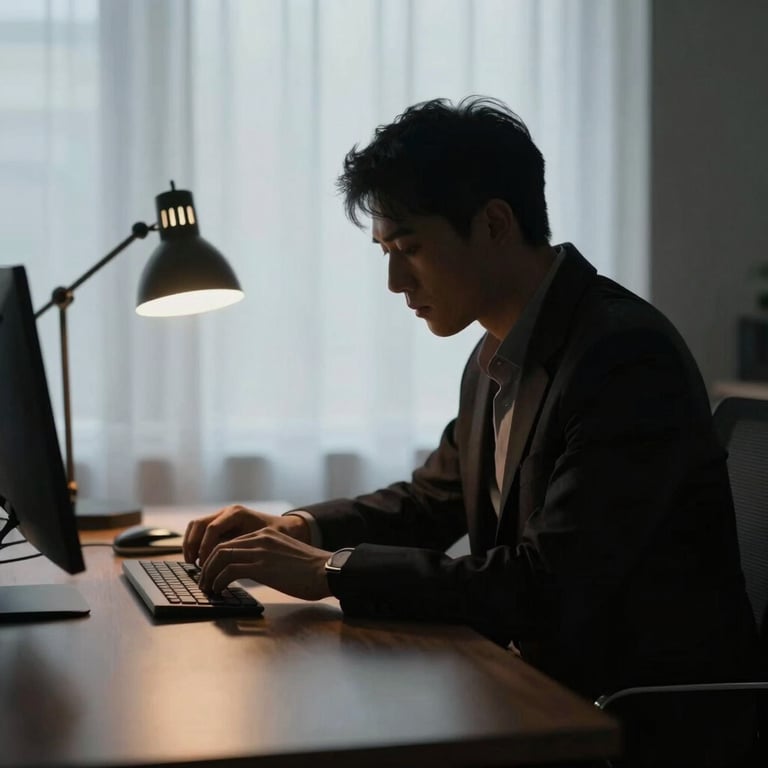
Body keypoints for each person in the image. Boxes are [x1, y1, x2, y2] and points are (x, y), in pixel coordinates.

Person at [183, 97, 759, 766]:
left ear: (493, 223)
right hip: (538, 686)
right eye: (385, 252)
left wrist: (331, 572)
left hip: (633, 720)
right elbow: (433, 501)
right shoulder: (497, 351)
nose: (396, 281)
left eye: (409, 249)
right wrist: (299, 530)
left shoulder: (622, 357)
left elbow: (547, 587)